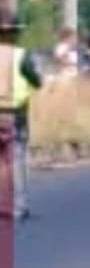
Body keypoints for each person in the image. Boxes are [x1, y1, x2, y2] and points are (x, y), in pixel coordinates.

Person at [0, 11, 42, 221]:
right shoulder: (21, 56)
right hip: (15, 115)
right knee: (16, 161)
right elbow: (36, 81)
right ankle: (18, 206)